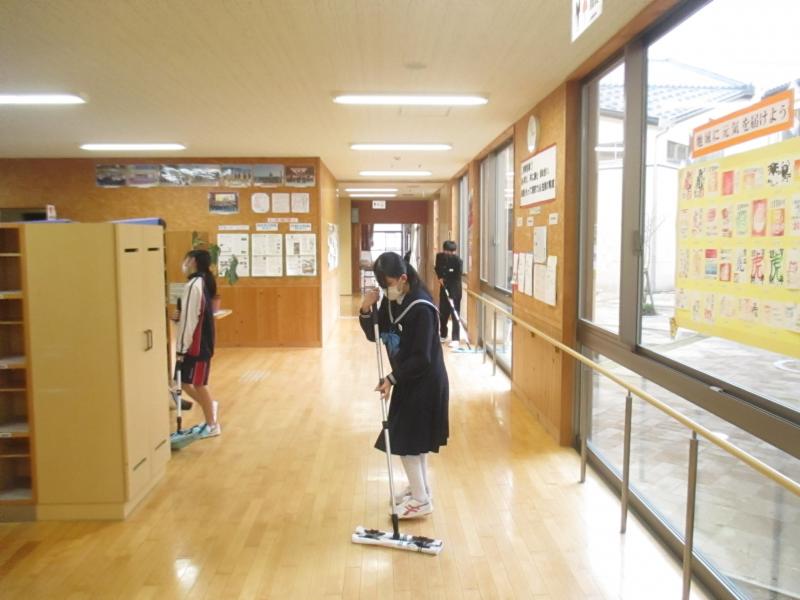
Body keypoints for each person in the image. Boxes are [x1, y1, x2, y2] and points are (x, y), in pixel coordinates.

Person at [359, 252, 449, 519]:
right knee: (413, 439)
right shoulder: (392, 302)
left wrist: (391, 379)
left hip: (426, 382)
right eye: (382, 285)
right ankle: (420, 489)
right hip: (408, 380)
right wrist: (366, 309)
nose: (386, 290)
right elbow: (377, 334)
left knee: (406, 439)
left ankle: (421, 500)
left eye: (388, 284)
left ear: (402, 278)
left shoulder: (421, 308)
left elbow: (422, 357)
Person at [174, 249, 220, 438]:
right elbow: (188, 316)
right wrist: (177, 317)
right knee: (184, 382)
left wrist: (181, 348)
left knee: (199, 384)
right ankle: (210, 406)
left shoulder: (195, 285)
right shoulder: (197, 283)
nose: (184, 263)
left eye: (186, 259)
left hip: (198, 346)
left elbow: (191, 320)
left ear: (192, 261)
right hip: (193, 343)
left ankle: (212, 425)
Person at [434, 240, 463, 349]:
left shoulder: (458, 261)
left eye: (451, 252)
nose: (449, 254)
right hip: (444, 288)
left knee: (455, 314)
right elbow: (437, 268)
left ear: (454, 252)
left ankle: (455, 339)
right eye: (447, 251)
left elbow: (457, 276)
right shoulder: (439, 257)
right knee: (443, 312)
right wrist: (440, 277)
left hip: (455, 290)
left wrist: (451, 292)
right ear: (444, 250)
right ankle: (443, 334)